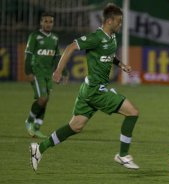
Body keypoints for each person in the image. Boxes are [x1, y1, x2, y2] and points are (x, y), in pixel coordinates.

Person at [29, 3, 140, 172]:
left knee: (75, 126)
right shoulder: (96, 37)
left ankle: (39, 148)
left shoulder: (112, 38)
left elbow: (108, 55)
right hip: (96, 90)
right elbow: (70, 47)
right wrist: (58, 71)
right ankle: (123, 155)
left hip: (88, 90)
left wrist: (121, 64)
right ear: (109, 21)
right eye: (119, 21)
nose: (120, 24)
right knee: (133, 112)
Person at [24, 12, 68, 138]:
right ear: (41, 22)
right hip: (37, 72)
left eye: (51, 22)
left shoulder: (54, 38)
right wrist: (28, 72)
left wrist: (63, 72)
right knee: (43, 98)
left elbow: (57, 57)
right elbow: (28, 55)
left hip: (49, 73)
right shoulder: (34, 36)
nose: (48, 24)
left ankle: (37, 127)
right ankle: (29, 121)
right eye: (46, 21)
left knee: (45, 100)